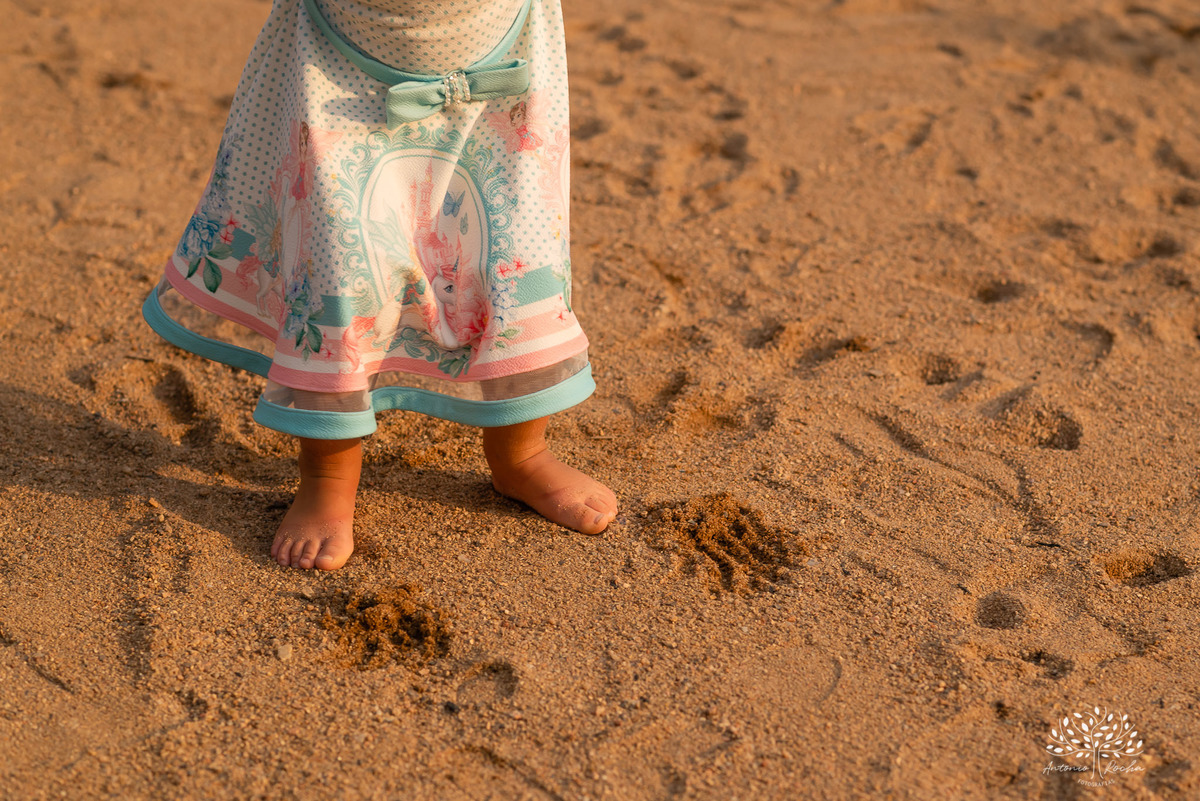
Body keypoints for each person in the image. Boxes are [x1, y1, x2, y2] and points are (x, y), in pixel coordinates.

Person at [142, 0, 617, 570]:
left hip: (500, 43)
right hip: (340, 59)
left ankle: (521, 454)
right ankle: (327, 478)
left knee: (512, 256)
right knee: (339, 264)